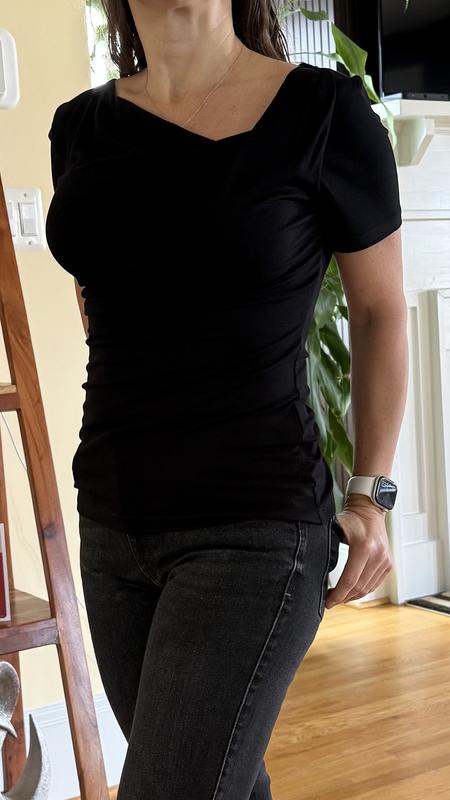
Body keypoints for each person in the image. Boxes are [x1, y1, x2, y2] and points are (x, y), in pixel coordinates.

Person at [45, 1, 407, 797]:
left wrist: (371, 495)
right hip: (112, 528)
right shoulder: (79, 129)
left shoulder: (323, 114)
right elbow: (103, 301)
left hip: (255, 529)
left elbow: (381, 312)